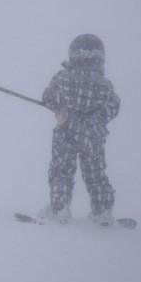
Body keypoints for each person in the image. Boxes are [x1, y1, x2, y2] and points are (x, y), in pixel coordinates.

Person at [38, 34, 121, 227]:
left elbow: (48, 97)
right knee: (95, 173)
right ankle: (103, 211)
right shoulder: (105, 84)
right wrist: (97, 119)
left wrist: (60, 108)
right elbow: (114, 106)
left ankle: (60, 208)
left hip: (65, 132)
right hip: (93, 137)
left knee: (61, 171)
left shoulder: (62, 78)